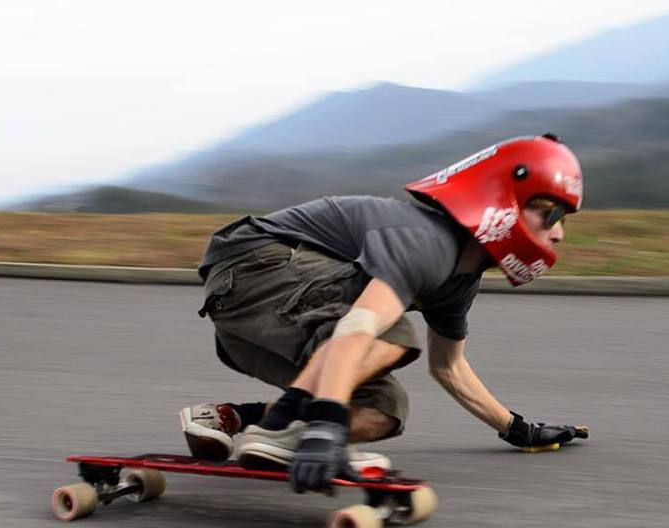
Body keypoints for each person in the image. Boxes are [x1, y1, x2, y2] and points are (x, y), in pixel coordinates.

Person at [180, 133, 589, 493]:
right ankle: (290, 429)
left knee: (385, 409)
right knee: (390, 332)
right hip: (253, 267)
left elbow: (449, 367)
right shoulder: (428, 241)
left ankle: (237, 420)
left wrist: (518, 429)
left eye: (563, 219)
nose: (558, 232)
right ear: (502, 198)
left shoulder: (460, 280)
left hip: (258, 329)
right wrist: (325, 426)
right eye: (549, 213)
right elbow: (359, 328)